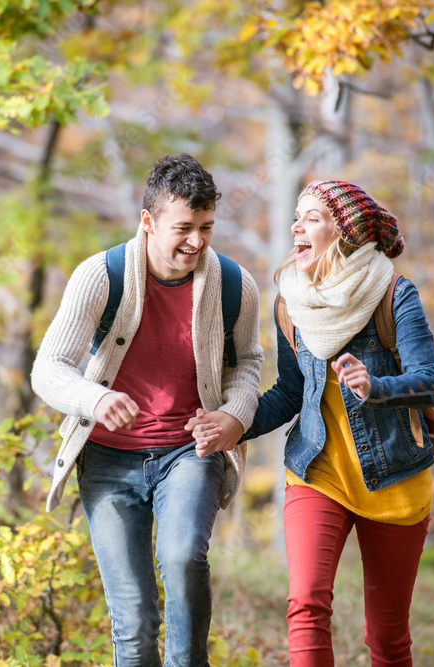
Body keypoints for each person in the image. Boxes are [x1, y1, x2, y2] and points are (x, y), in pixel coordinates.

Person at [190, 180, 434, 667]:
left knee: (387, 638)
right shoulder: (291, 302)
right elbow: (289, 393)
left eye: (311, 217)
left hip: (395, 479)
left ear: (344, 230)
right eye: (296, 216)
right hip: (315, 470)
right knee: (305, 605)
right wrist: (234, 423)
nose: (296, 226)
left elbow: (431, 381)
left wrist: (377, 388)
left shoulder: (394, 294)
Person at [31, 153, 263, 667]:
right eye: (183, 228)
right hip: (109, 461)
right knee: (133, 619)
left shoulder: (233, 284)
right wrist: (95, 398)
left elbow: (247, 362)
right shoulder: (101, 276)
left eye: (206, 228)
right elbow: (48, 368)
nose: (196, 242)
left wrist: (234, 416)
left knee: (182, 559)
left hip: (189, 450)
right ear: (148, 221)